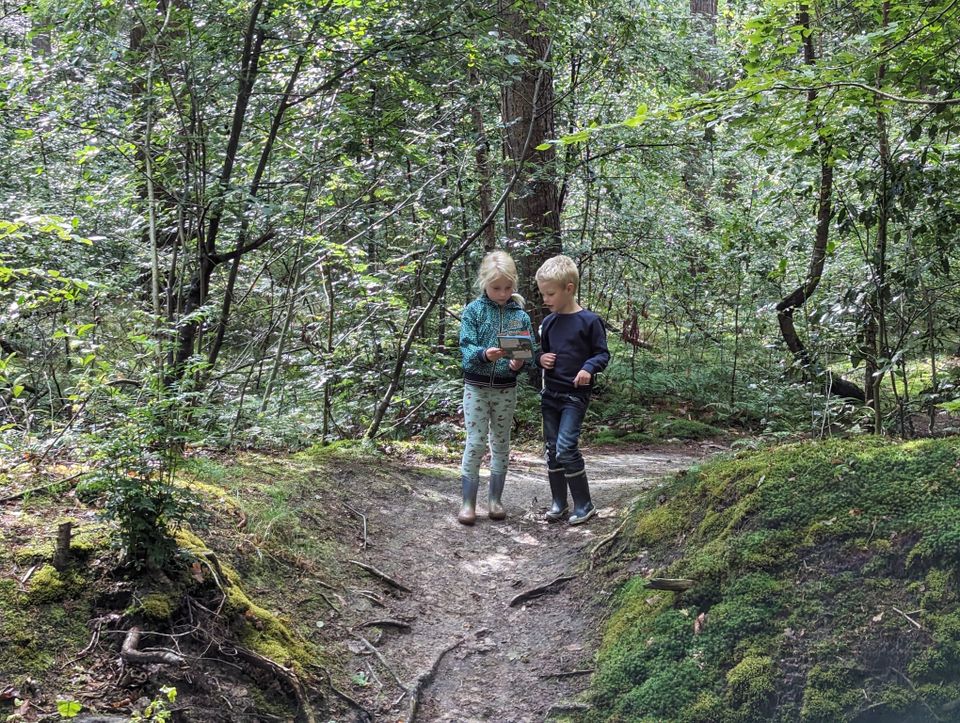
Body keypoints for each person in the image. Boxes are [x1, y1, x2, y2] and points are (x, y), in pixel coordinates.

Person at [457, 250, 536, 525]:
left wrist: (518, 363)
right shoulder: (474, 311)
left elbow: (528, 353)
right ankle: (468, 503)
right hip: (476, 388)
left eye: (507, 288)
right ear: (484, 283)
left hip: (505, 388)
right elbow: (466, 349)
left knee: (501, 442)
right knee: (476, 442)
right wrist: (483, 355)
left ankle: (495, 500)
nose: (502, 294)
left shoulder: (520, 316)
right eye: (496, 288)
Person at [534, 255, 610, 525]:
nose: (545, 299)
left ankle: (584, 504)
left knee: (566, 447)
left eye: (550, 294)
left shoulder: (590, 321)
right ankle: (559, 502)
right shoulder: (549, 323)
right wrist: (540, 359)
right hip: (550, 395)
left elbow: (602, 354)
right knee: (552, 449)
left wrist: (588, 368)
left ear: (569, 288)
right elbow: (541, 352)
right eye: (543, 294)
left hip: (574, 396)